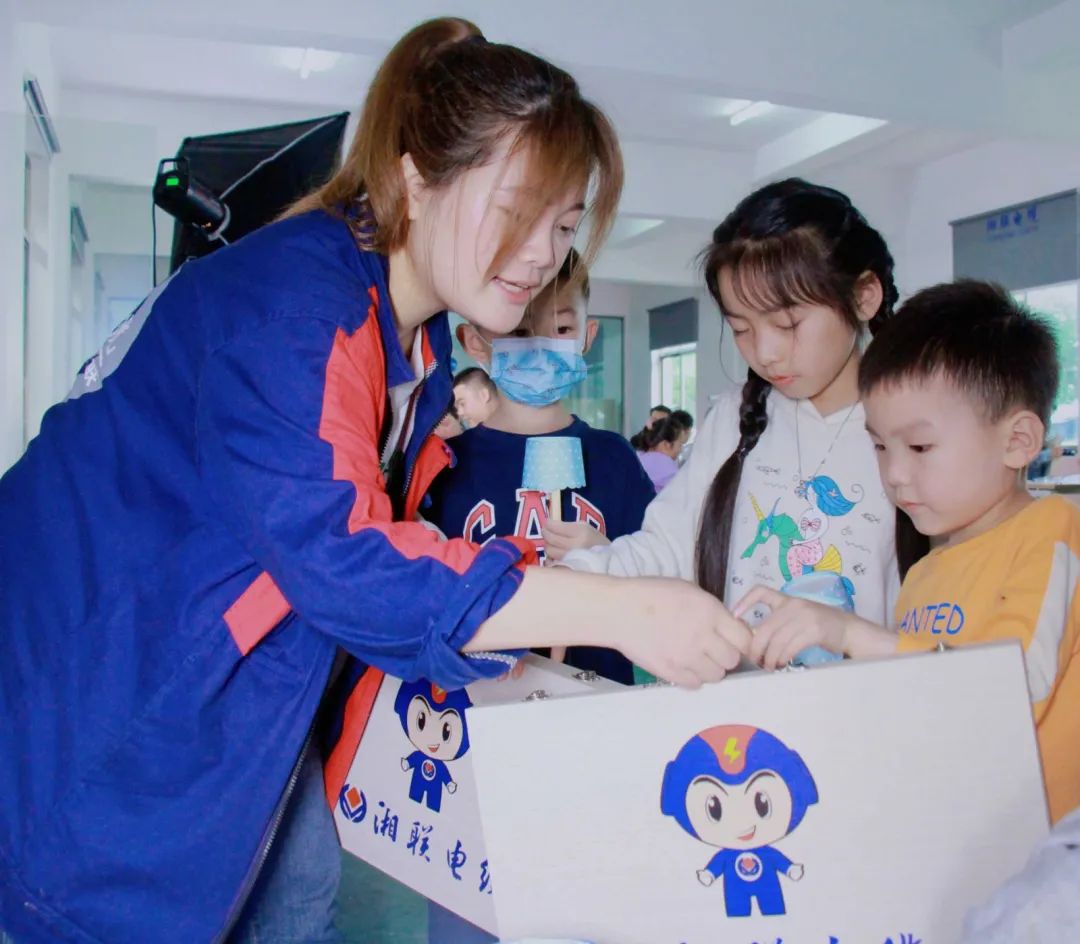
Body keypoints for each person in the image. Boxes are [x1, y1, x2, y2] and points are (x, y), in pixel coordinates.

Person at [0, 18, 750, 944]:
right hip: (102, 716)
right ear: (415, 178)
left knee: (298, 892)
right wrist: (623, 610)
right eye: (516, 212)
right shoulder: (295, 308)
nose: (540, 255)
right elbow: (348, 557)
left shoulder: (415, 351)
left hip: (237, 710)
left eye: (562, 226)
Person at [737, 281, 1080, 824]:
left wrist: (851, 634)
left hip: (1047, 852)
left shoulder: (1052, 531)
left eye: (920, 447)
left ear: (1017, 441)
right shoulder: (924, 574)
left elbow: (1011, 690)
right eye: (879, 445)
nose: (894, 473)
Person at [551, 179, 920, 633]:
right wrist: (575, 577)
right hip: (738, 680)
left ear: (863, 297)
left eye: (787, 324)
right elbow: (666, 548)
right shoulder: (734, 420)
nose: (765, 353)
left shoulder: (914, 431)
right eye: (742, 329)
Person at [426, 248, 656, 685]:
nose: (541, 346)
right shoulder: (445, 464)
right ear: (475, 343)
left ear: (587, 336)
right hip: (478, 702)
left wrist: (611, 557)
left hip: (596, 701)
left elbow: (658, 590)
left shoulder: (614, 458)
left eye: (562, 328)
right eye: (518, 329)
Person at [635, 414, 688, 491]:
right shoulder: (664, 464)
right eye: (680, 444)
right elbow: (683, 491)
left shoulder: (639, 455)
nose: (681, 450)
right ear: (666, 444)